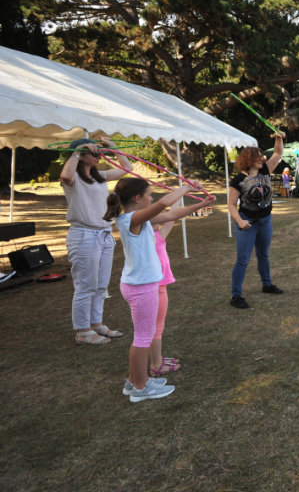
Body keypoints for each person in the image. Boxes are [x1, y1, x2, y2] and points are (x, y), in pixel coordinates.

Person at [104, 177, 208, 402]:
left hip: (140, 284)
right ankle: (141, 387)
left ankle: (134, 381)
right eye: (149, 194)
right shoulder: (133, 218)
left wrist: (201, 204)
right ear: (138, 199)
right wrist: (187, 187)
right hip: (141, 287)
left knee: (142, 336)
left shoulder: (137, 218)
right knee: (142, 338)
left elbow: (171, 215)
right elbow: (163, 205)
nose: (152, 198)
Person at [60, 137, 133, 345]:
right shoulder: (72, 176)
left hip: (103, 234)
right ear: (82, 156)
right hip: (83, 235)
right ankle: (83, 331)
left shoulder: (99, 176)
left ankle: (96, 323)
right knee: (86, 285)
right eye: (94, 152)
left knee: (101, 285)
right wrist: (78, 150)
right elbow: (65, 175)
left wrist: (113, 147)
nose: (99, 155)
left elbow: (126, 168)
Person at [148, 193, 214, 377]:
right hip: (153, 287)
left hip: (160, 286)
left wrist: (179, 194)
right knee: (155, 327)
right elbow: (167, 215)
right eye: (154, 218)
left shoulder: (157, 236)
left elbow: (171, 216)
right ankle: (156, 364)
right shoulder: (144, 238)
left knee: (158, 326)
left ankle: (157, 358)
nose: (159, 219)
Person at [227, 135, 285, 309]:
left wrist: (279, 138)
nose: (263, 159)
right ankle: (235, 296)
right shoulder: (238, 180)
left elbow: (278, 152)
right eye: (259, 156)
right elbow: (230, 204)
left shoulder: (265, 170)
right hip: (248, 223)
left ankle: (267, 285)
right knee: (243, 260)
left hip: (265, 221)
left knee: (263, 255)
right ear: (250, 159)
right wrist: (239, 221)